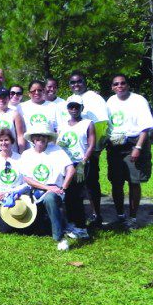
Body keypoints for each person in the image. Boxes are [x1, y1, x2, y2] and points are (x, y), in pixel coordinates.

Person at [106, 74, 153, 230]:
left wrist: (138, 148)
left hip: (133, 143)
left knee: (134, 181)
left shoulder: (139, 100)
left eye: (123, 83)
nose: (120, 86)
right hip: (115, 146)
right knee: (116, 182)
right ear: (112, 87)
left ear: (127, 85)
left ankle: (133, 218)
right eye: (116, 84)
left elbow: (145, 127)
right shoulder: (110, 101)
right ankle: (120, 216)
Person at [20, 123, 76, 251]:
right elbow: (26, 179)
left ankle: (60, 238)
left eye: (44, 136)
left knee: (50, 198)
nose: (40, 138)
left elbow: (71, 169)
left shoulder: (57, 151)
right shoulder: (27, 154)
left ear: (48, 138)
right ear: (32, 138)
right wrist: (46, 187)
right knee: (36, 229)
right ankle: (63, 224)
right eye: (37, 136)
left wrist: (63, 188)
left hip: (55, 190)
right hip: (35, 192)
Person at [68, 70, 110, 226]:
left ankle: (96, 215)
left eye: (79, 81)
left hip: (90, 151)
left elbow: (102, 124)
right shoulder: (70, 99)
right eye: (72, 82)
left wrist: (97, 149)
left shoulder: (94, 98)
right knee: (75, 185)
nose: (76, 84)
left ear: (85, 82)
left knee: (91, 184)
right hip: (73, 152)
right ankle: (78, 216)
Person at [56, 94, 94, 239]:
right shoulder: (63, 124)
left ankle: (82, 227)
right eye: (71, 106)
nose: (73, 109)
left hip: (80, 163)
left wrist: (84, 161)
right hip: (65, 164)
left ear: (81, 108)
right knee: (68, 194)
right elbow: (58, 142)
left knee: (78, 195)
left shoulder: (88, 123)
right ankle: (71, 223)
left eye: (76, 106)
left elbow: (91, 144)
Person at [0, 128, 29, 233]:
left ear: (12, 141)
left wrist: (10, 193)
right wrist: (0, 194)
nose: (4, 143)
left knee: (23, 228)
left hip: (16, 197)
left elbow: (27, 183)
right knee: (5, 229)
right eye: (1, 140)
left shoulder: (21, 159)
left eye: (6, 140)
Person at [0, 87, 27, 155]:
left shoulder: (15, 114)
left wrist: (21, 153)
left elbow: (20, 136)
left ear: (9, 99)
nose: (1, 100)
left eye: (4, 97)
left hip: (12, 152)